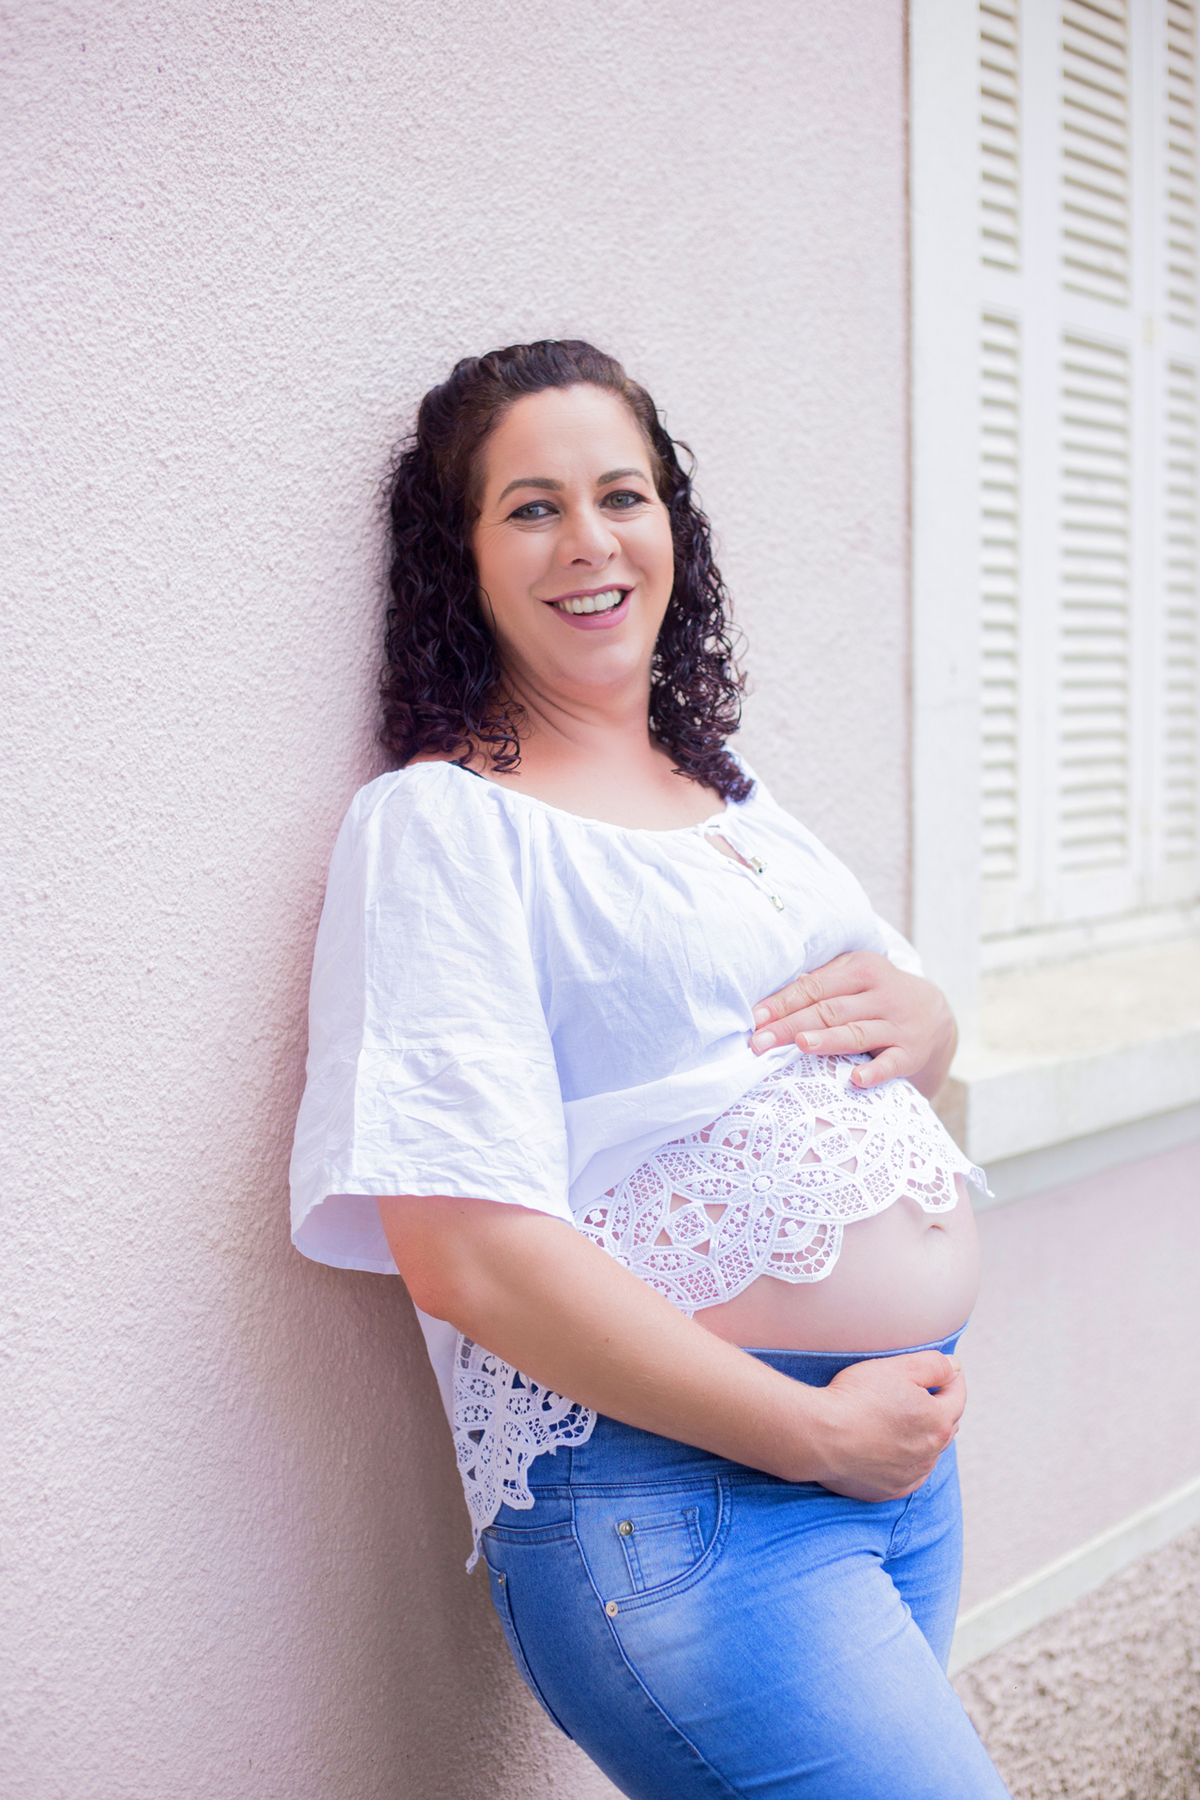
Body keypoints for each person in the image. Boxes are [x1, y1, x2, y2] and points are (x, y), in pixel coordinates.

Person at [290, 340, 1010, 1799]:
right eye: (532, 508)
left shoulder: (733, 798)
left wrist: (929, 1024)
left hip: (886, 1462)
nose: (591, 541)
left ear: (673, 522)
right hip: (683, 1497)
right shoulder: (441, 828)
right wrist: (811, 1432)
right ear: (462, 559)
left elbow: (901, 1006)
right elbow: (468, 1255)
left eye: (622, 493)